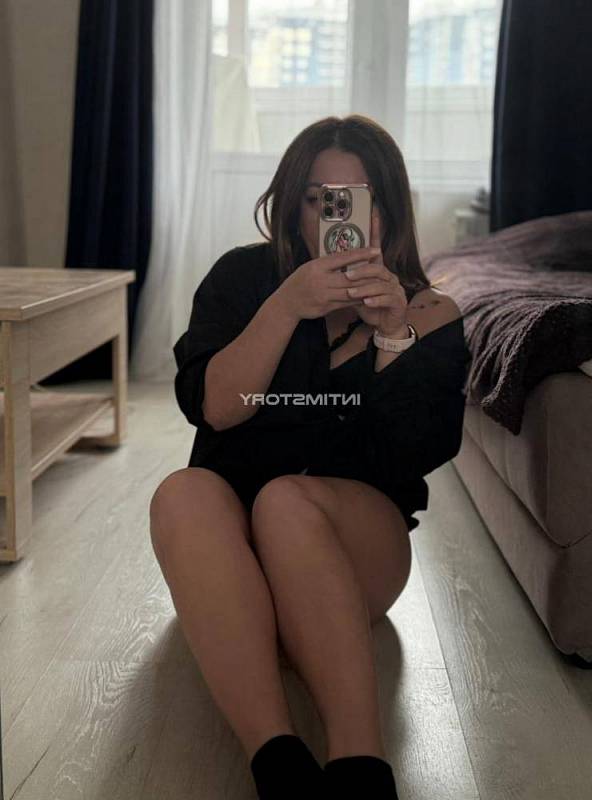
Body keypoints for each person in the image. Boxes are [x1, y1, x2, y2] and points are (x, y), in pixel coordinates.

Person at [149, 114, 471, 800]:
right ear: (293, 207)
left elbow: (418, 452)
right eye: (319, 198)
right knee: (182, 490)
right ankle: (278, 763)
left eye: (356, 198)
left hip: (353, 557)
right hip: (233, 564)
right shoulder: (243, 279)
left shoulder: (427, 310)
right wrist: (284, 307)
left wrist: (392, 339)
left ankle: (361, 766)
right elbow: (216, 408)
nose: (337, 217)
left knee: (286, 500)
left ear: (386, 209)